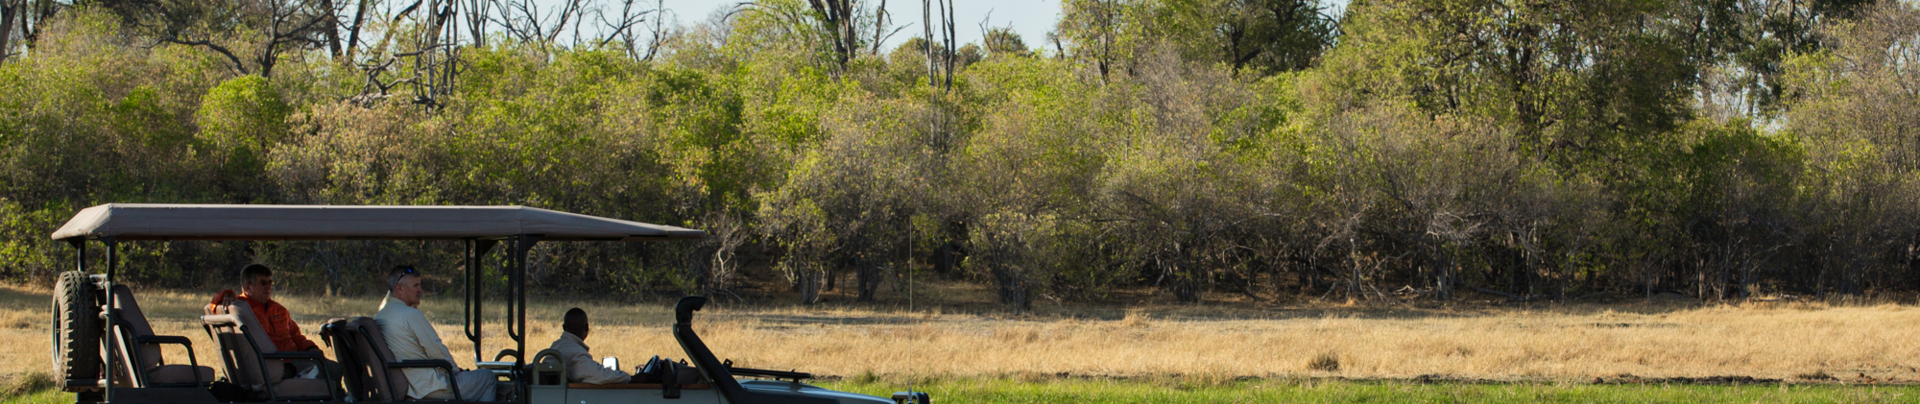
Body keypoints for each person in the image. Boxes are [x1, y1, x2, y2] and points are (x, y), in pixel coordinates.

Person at [206, 264, 343, 396]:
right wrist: (226, 293)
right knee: (332, 370)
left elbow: (296, 336)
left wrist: (310, 349)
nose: (268, 287)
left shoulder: (279, 309)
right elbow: (213, 303)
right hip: (276, 363)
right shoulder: (241, 308)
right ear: (247, 286)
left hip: (292, 358)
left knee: (331, 366)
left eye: (270, 282)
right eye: (263, 283)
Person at [374, 265, 497, 401]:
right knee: (488, 377)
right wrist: (455, 370)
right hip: (430, 386)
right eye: (416, 286)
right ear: (400, 288)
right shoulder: (410, 314)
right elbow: (436, 350)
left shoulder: (380, 315)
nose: (420, 290)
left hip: (411, 384)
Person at [546, 308, 635, 384]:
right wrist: (629, 378)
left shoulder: (557, 346)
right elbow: (595, 375)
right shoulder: (573, 351)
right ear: (587, 328)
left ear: (564, 328)